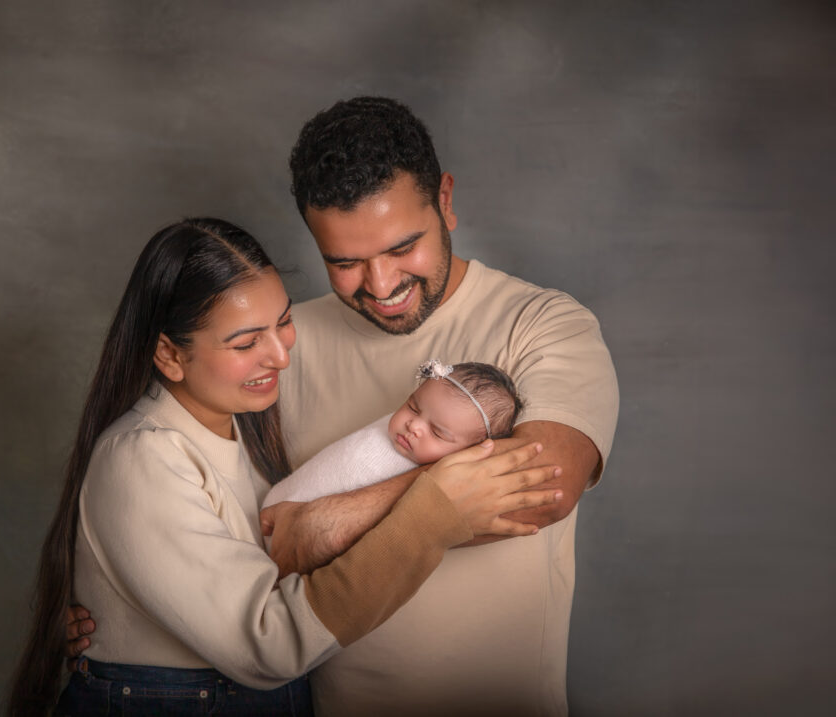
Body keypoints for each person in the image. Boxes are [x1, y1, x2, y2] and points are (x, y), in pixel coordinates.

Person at [8, 217, 565, 716]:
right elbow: (267, 644)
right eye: (248, 341)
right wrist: (431, 514)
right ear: (170, 355)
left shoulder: (248, 431)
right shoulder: (142, 456)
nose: (279, 355)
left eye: (282, 323)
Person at [259, 96, 620, 716]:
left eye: (403, 247)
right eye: (344, 262)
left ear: (445, 199)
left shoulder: (542, 322)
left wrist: (320, 524)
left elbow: (544, 485)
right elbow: (204, 505)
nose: (381, 285)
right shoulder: (280, 341)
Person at [262, 359, 523, 510]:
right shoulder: (389, 428)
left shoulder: (431, 480)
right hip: (282, 500)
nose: (414, 426)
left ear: (469, 453)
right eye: (412, 406)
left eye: (437, 432)